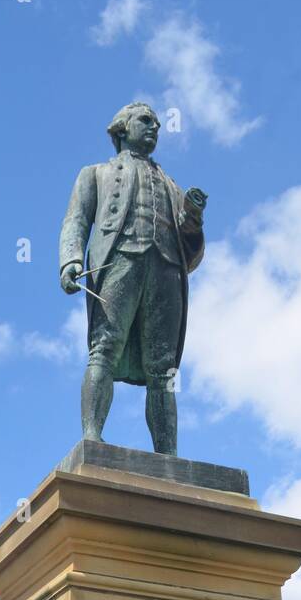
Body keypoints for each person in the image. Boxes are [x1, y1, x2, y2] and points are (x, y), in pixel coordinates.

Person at [59, 101, 207, 456]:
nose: (155, 127)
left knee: (163, 369)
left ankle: (167, 455)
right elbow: (76, 220)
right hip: (119, 261)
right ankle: (92, 438)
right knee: (104, 349)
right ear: (121, 128)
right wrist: (70, 260)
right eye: (146, 121)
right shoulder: (94, 174)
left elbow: (191, 250)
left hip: (166, 268)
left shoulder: (172, 186)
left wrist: (193, 222)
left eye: (157, 123)